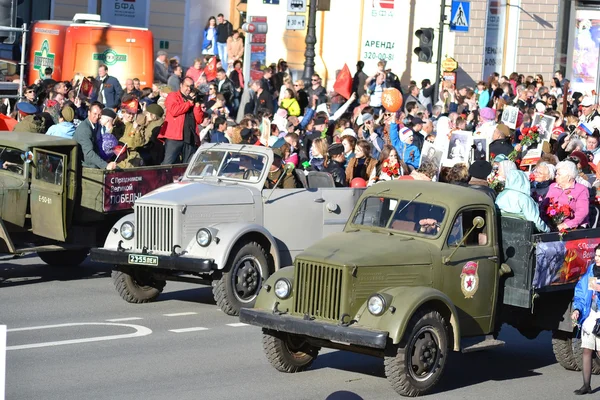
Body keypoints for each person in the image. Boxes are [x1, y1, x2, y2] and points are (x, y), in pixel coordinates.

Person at [571, 245, 600, 395]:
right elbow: (582, 293)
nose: (597, 259)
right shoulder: (592, 271)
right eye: (596, 255)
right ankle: (586, 385)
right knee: (587, 350)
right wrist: (577, 310)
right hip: (591, 315)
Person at [158, 77, 204, 164]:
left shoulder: (193, 100)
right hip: (174, 137)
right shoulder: (173, 96)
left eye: (191, 86)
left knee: (188, 166)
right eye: (187, 86)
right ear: (181, 85)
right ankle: (164, 178)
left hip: (190, 137)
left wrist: (197, 105)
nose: (189, 89)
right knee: (168, 164)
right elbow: (175, 111)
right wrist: (189, 103)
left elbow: (199, 120)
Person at [544, 160, 590, 230]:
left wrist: (566, 225)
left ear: (568, 177)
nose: (555, 177)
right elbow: (544, 205)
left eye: (559, 174)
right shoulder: (552, 187)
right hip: (551, 224)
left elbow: (582, 212)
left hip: (574, 227)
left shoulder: (581, 189)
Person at [73, 104, 117, 170]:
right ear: (89, 113)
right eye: (95, 114)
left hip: (92, 162)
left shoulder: (95, 124)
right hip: (84, 166)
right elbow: (89, 152)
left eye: (99, 115)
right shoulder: (85, 129)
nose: (97, 117)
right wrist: (105, 165)